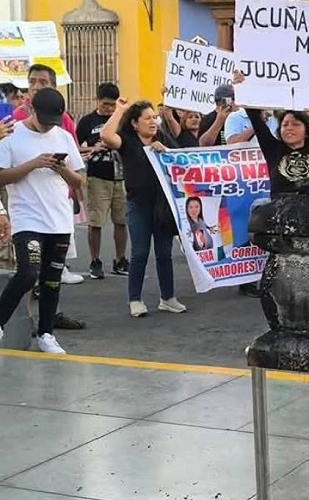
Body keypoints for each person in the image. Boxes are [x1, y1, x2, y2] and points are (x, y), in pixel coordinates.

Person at [0, 88, 86, 354]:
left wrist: (62, 169)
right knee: (28, 272)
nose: (48, 125)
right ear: (30, 107)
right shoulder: (10, 135)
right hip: (27, 218)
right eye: (43, 119)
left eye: (53, 120)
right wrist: (35, 163)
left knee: (52, 280)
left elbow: (80, 181)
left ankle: (46, 333)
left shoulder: (63, 137)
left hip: (59, 220)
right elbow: (3, 177)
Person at [100, 98, 186, 318]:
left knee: (164, 253)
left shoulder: (161, 138)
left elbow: (181, 160)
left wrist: (164, 150)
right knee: (139, 253)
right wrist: (119, 110)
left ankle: (168, 298)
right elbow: (107, 136)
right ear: (134, 124)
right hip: (138, 205)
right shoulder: (128, 141)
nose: (153, 122)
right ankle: (135, 299)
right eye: (147, 118)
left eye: (154, 117)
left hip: (162, 206)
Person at [76, 82, 129, 279]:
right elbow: (74, 146)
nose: (109, 109)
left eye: (112, 105)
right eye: (105, 104)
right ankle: (95, 260)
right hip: (98, 176)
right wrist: (92, 149)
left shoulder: (121, 120)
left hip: (121, 175)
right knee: (96, 222)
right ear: (97, 101)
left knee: (121, 221)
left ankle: (121, 259)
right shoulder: (87, 122)